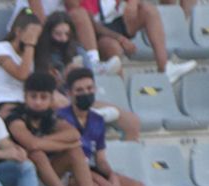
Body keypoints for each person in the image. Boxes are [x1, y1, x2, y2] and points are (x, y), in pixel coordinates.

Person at [6, 72, 121, 186]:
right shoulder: (16, 118)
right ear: (25, 96)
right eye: (33, 97)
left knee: (75, 150)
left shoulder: (51, 118)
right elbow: (31, 144)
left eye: (43, 97)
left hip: (48, 174)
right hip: (21, 175)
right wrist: (59, 143)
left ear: (51, 99)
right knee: (37, 153)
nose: (38, 102)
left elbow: (74, 134)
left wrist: (46, 141)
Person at [34, 12, 140, 141]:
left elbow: (89, 79)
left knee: (132, 122)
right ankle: (91, 114)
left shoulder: (76, 49)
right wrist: (62, 78)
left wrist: (77, 73)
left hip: (82, 97)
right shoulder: (40, 53)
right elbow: (40, 87)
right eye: (58, 34)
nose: (63, 38)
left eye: (66, 34)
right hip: (58, 101)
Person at [61, 68, 144, 186]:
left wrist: (111, 176)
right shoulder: (62, 118)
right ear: (69, 93)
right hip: (70, 174)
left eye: (89, 88)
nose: (85, 93)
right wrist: (101, 180)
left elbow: (100, 158)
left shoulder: (97, 119)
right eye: (79, 90)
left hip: (93, 170)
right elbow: (71, 163)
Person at [77, 0, 196, 84]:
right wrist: (120, 38)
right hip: (96, 32)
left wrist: (133, 3)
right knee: (112, 47)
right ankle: (119, 92)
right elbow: (91, 24)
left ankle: (164, 67)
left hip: (115, 20)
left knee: (147, 9)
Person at [0, 11, 42, 116]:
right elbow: (21, 75)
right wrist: (29, 45)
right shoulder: (0, 48)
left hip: (24, 101)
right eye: (31, 34)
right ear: (18, 32)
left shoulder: (31, 53)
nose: (34, 39)